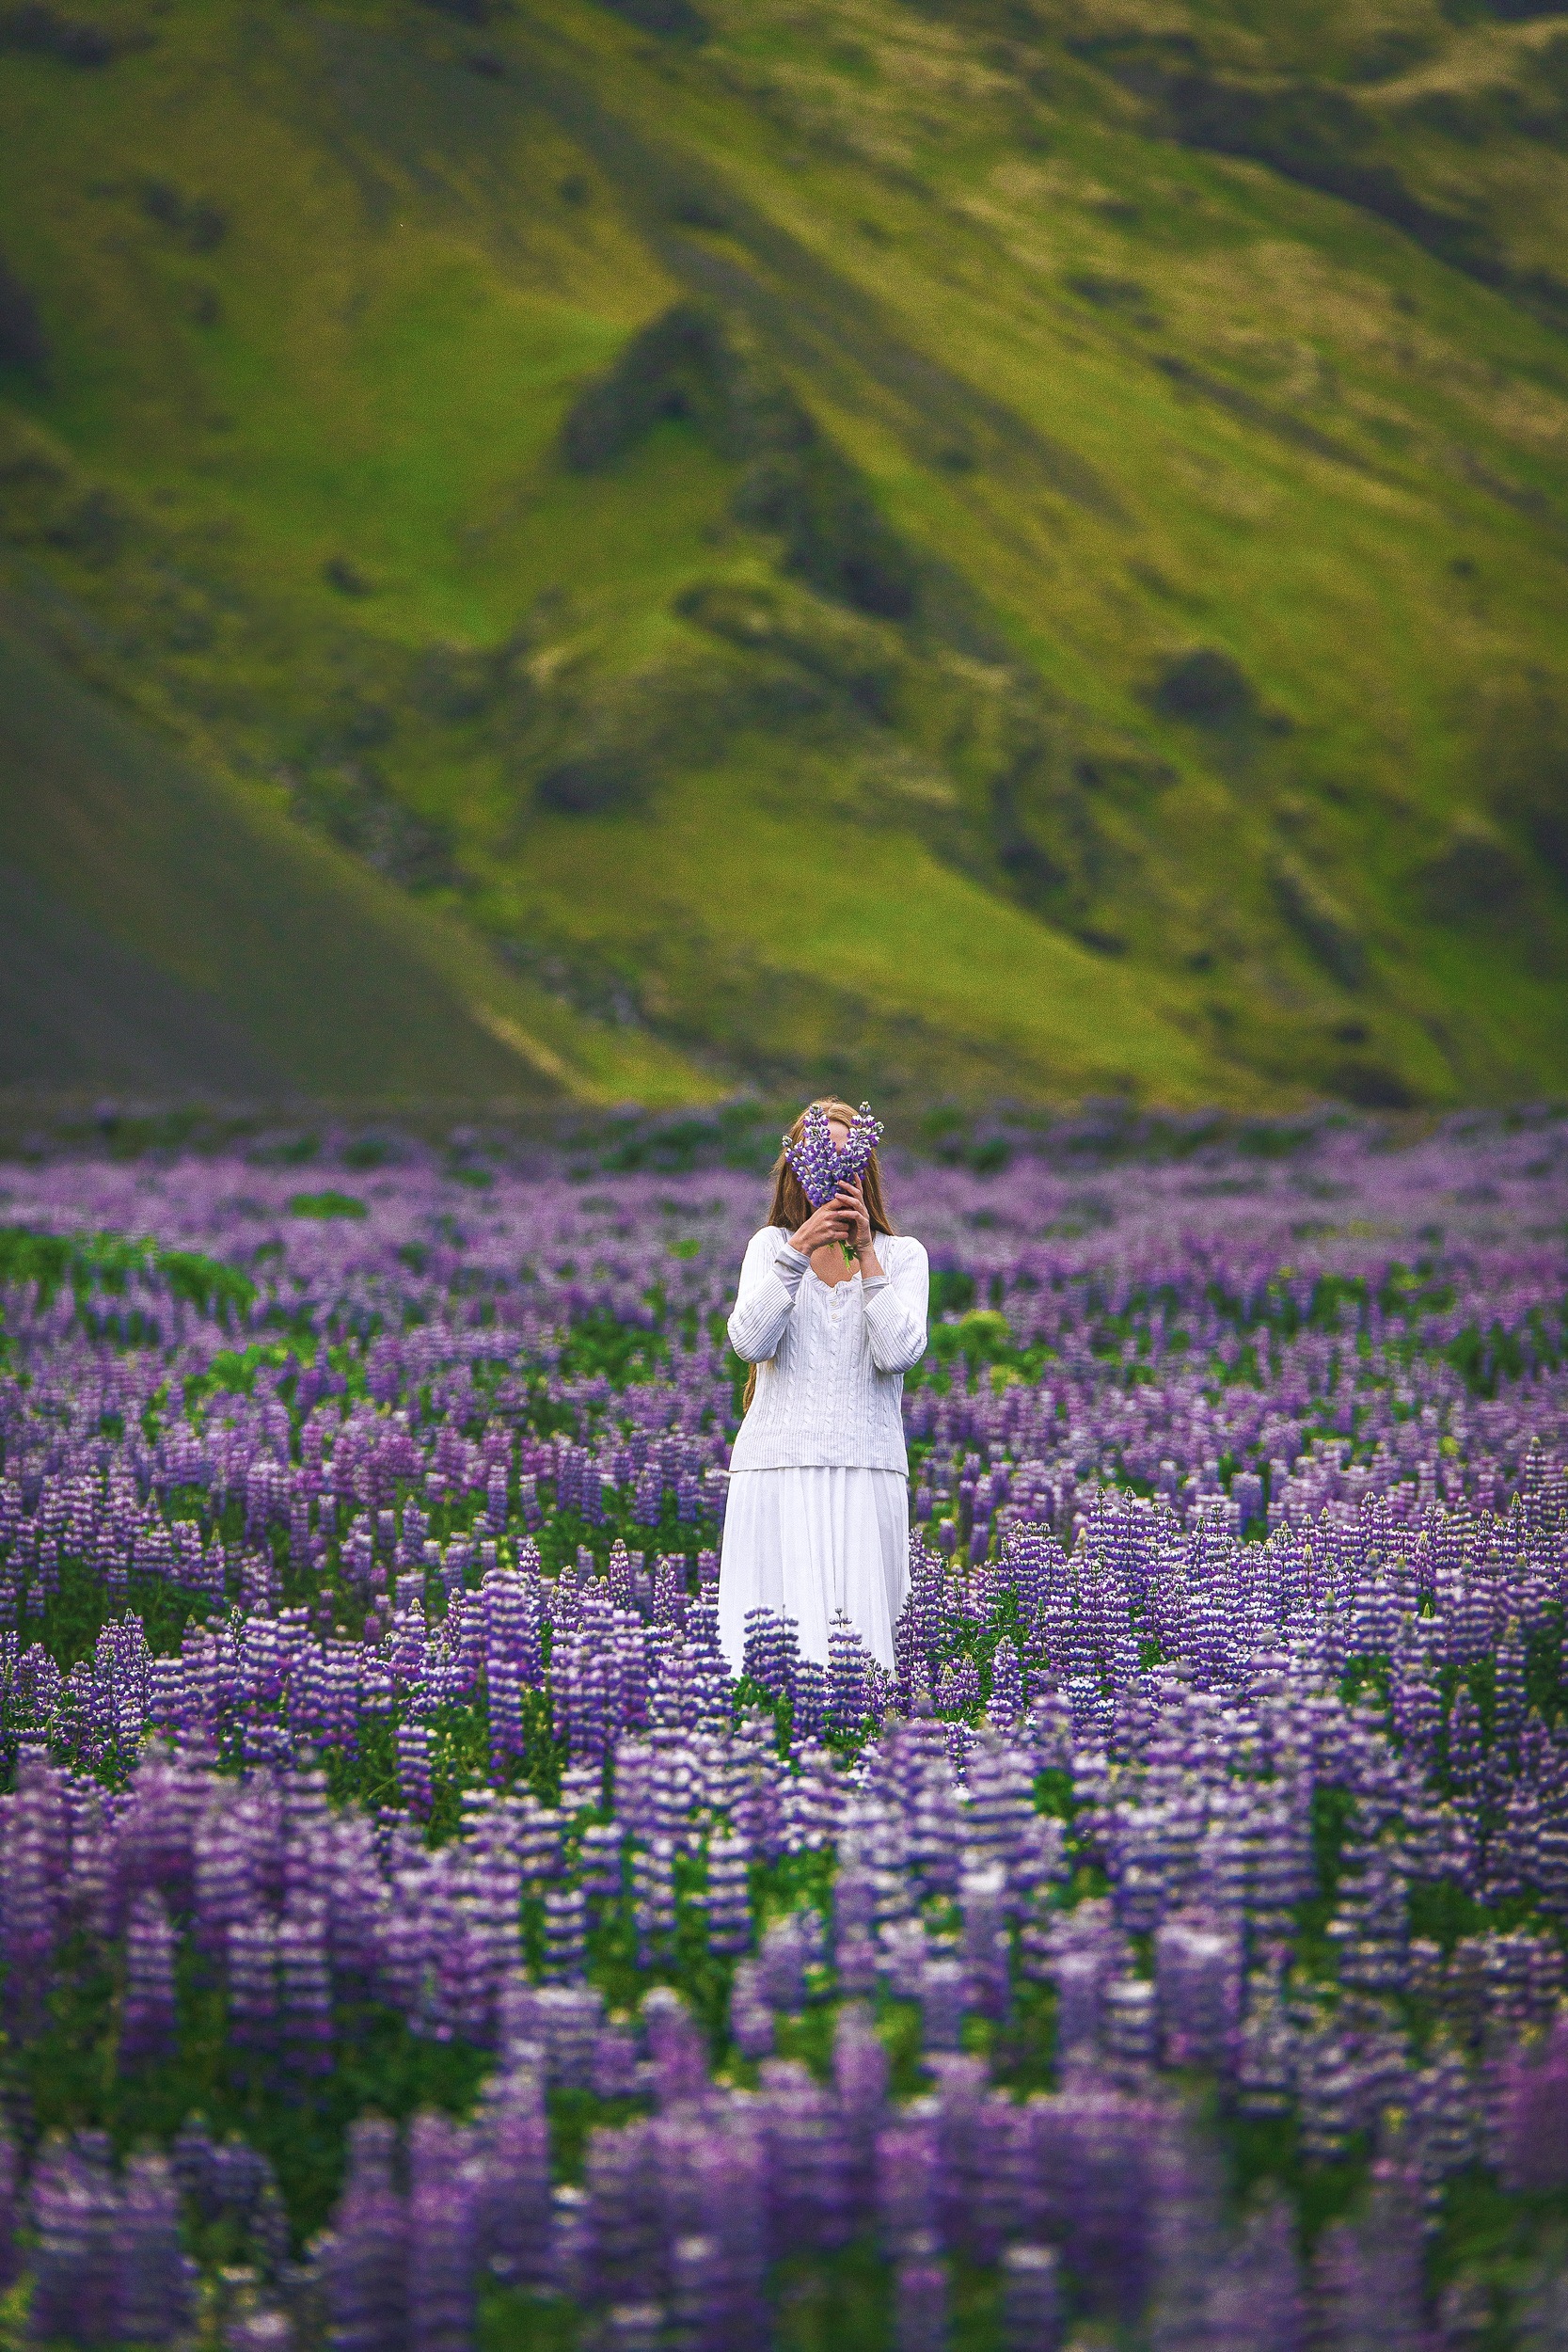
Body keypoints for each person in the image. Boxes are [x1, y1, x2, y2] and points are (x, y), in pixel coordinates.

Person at [719, 1099, 928, 1675]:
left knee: (863, 1663)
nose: (834, 1176)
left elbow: (898, 1353)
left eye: (847, 1161)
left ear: (866, 1172)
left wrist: (864, 1251)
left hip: (866, 1470)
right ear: (796, 1169)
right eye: (821, 1159)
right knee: (766, 1662)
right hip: (776, 1472)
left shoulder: (903, 1256)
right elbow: (750, 1344)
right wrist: (797, 1250)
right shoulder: (769, 1249)